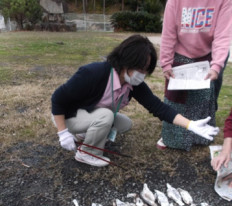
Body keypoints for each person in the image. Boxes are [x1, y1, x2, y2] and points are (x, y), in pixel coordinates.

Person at [51, 35, 219, 167]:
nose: (142, 74)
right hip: (66, 115)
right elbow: (58, 98)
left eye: (146, 70)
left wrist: (190, 125)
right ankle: (87, 153)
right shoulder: (93, 72)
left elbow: (158, 107)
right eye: (139, 69)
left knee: (124, 124)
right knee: (106, 116)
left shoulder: (133, 84)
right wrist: (62, 132)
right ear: (125, 61)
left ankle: (83, 134)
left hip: (91, 114)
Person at [157, 0, 232, 151]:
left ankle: (199, 136)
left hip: (207, 55)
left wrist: (216, 65)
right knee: (175, 98)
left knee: (202, 99)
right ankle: (171, 136)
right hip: (180, 52)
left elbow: (222, 36)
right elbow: (168, 33)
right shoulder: (175, 1)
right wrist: (166, 62)